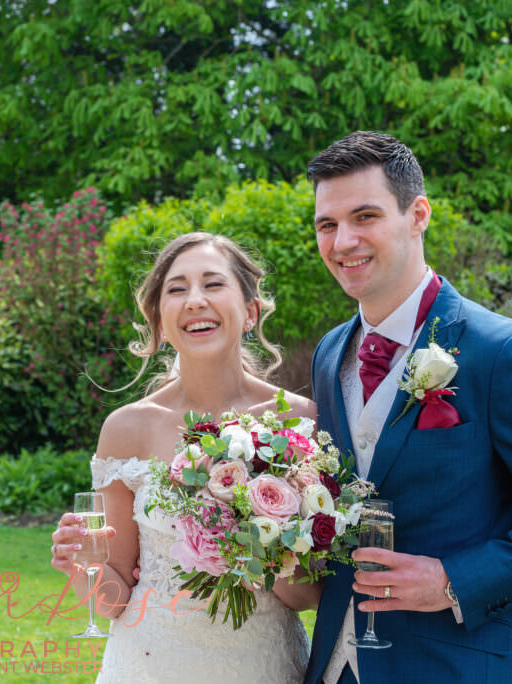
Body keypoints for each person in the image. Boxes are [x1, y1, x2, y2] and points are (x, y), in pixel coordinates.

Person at [302, 131, 512, 684]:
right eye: (327, 225)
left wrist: (454, 579)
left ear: (418, 214)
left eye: (365, 217)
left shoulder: (502, 352)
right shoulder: (331, 353)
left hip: (455, 665)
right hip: (338, 664)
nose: (343, 241)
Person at [50, 232, 320, 683]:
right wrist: (80, 564)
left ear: (250, 311)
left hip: (263, 665)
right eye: (177, 289)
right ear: (159, 322)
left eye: (213, 284)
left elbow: (310, 594)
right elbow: (113, 598)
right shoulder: (125, 429)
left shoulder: (297, 420)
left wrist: (251, 539)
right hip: (148, 665)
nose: (195, 300)